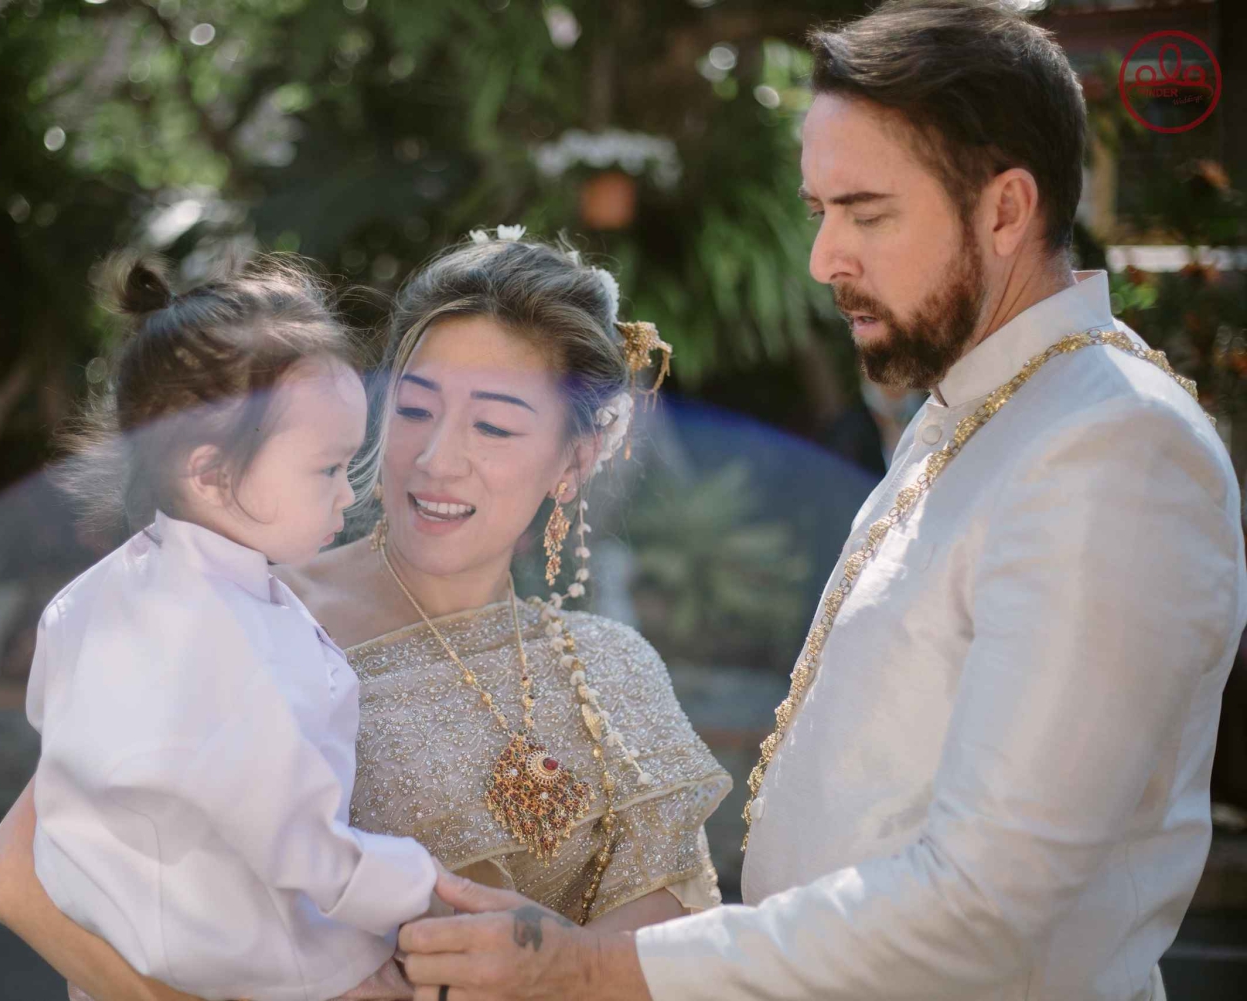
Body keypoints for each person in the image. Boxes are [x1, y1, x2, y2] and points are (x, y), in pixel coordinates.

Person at [393, 2, 1247, 999]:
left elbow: (987, 905)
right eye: (820, 212)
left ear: (1006, 210)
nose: (823, 259)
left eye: (867, 213)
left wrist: (595, 969)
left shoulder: (1112, 446)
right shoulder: (986, 407)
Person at [0, 232, 732, 1001]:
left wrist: (551, 965)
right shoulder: (235, 613)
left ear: (574, 460)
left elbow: (668, 937)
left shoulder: (612, 672)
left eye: (494, 426)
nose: (436, 458)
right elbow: (17, 876)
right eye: (415, 408)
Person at [29, 253, 450, 1001]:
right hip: (245, 961)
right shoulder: (223, 642)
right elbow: (300, 844)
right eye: (327, 469)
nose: (346, 496)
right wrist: (422, 886)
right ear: (210, 473)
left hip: (119, 956)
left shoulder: (105, 593)